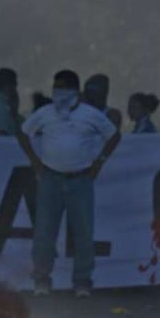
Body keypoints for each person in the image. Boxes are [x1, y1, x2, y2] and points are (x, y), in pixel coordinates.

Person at [16, 70, 121, 297]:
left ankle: (82, 282)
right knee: (44, 231)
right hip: (50, 178)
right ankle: (41, 280)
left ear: (75, 91)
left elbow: (113, 135)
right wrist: (35, 162)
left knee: (83, 232)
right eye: (56, 88)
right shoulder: (44, 113)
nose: (58, 92)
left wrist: (98, 163)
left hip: (80, 179)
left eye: (63, 88)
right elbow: (23, 132)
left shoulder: (90, 114)